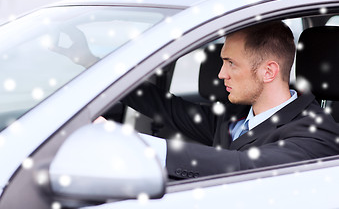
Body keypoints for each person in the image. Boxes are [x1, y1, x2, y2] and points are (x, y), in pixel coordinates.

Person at [123, 21, 339, 179]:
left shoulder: (316, 135)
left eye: (231, 63)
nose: (221, 74)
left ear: (268, 71)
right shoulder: (235, 114)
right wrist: (97, 71)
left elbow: (245, 165)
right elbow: (170, 109)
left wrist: (132, 146)